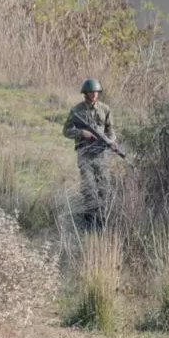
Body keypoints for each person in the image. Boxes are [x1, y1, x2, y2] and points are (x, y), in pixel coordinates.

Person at [62, 77, 115, 230]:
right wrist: (81, 133)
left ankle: (103, 222)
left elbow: (111, 132)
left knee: (104, 189)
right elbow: (66, 130)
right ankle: (89, 223)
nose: (94, 94)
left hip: (101, 155)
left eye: (96, 92)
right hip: (85, 154)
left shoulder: (105, 109)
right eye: (91, 92)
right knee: (89, 188)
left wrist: (111, 141)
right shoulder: (76, 111)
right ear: (85, 93)